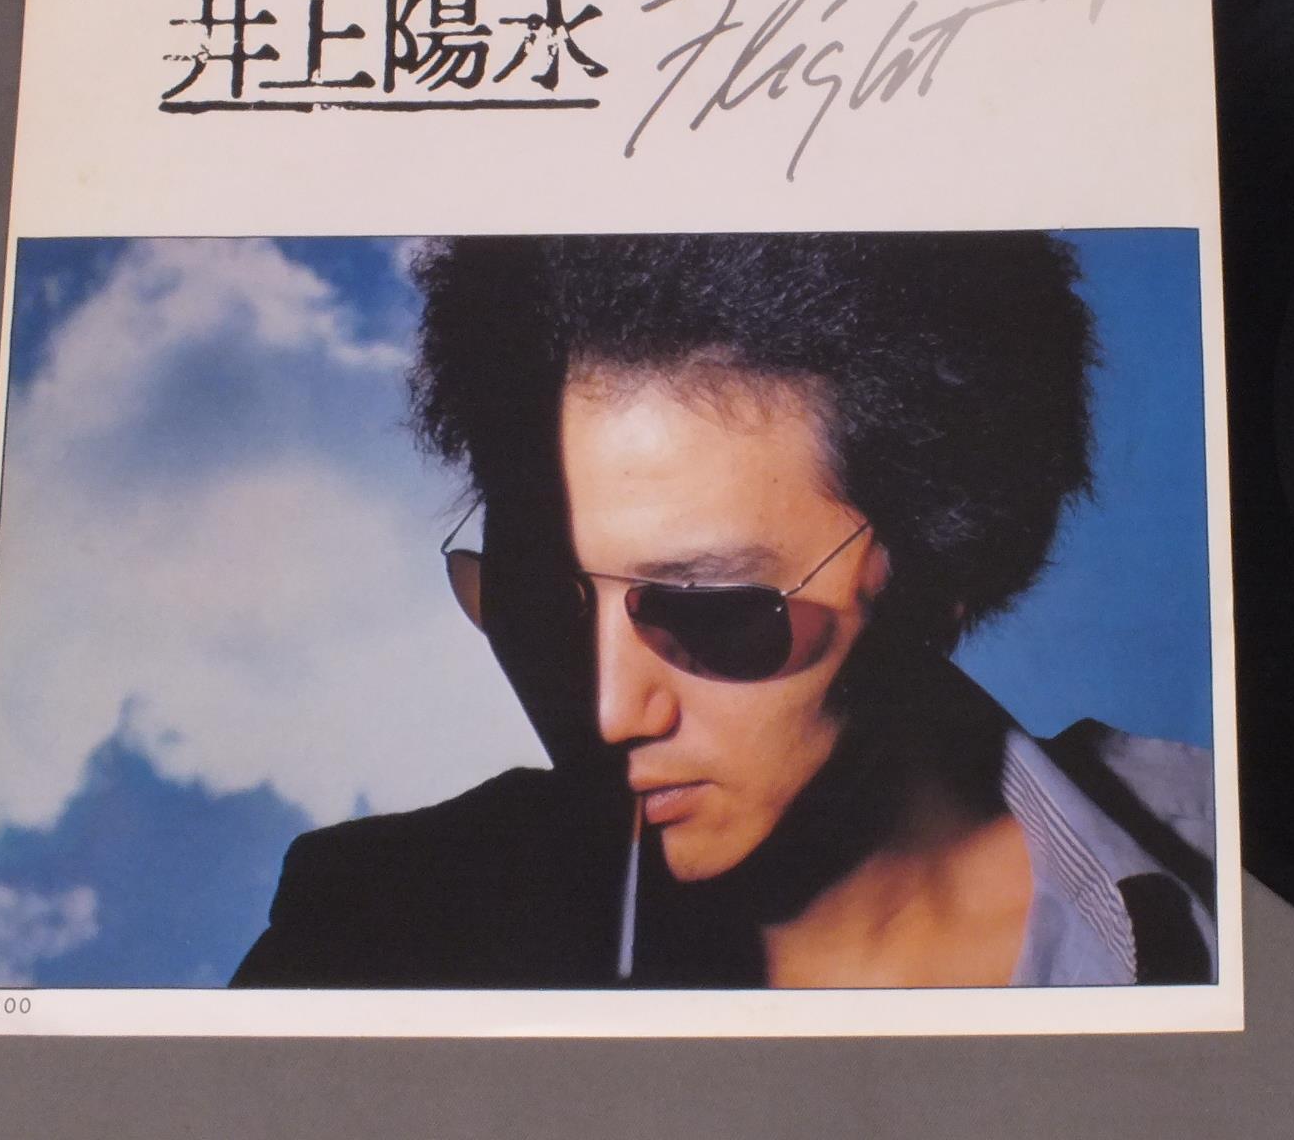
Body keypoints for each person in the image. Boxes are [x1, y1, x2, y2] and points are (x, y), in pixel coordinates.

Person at [232, 232, 1215, 989]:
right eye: (541, 609)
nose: (609, 711)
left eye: (710, 615)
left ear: (930, 575)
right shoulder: (370, 930)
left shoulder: (1229, 871)